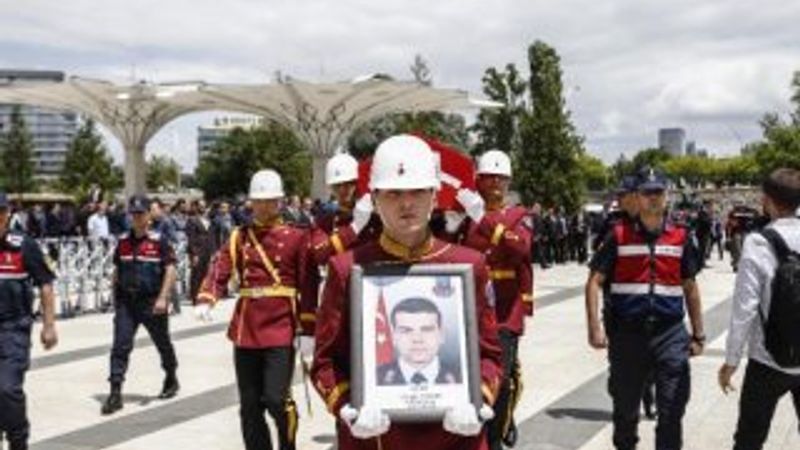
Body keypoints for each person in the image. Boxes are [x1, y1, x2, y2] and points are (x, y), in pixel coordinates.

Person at [311, 134, 502, 450]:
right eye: (393, 193)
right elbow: (325, 360)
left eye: (417, 191)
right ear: (373, 199)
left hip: (454, 439)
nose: (406, 203)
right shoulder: (346, 269)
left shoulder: (469, 265)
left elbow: (491, 354)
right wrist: (346, 406)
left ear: (434, 195)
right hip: (375, 441)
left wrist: (478, 398)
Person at [194, 169, 318, 450]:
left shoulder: (297, 238)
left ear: (280, 201)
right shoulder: (240, 236)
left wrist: (308, 328)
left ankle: (287, 445)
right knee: (249, 406)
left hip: (281, 325)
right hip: (247, 326)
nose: (264, 206)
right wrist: (207, 297)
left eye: (270, 200)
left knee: (276, 399)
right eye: (259, 201)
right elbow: (220, 266)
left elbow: (309, 285)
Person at [585, 167, 705, 450]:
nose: (653, 198)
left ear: (667, 196)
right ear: (637, 197)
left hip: (670, 335)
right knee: (626, 413)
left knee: (672, 411)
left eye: (658, 192)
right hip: (628, 336)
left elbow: (690, 286)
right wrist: (594, 327)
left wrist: (698, 334)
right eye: (646, 192)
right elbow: (594, 281)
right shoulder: (618, 234)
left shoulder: (681, 236)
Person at [443, 149, 533, 449]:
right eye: (487, 178)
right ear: (477, 181)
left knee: (502, 377)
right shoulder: (466, 218)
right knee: (469, 373)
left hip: (505, 308)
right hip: (470, 305)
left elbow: (519, 249)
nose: (494, 184)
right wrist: (450, 225)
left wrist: (481, 218)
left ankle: (496, 431)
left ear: (508, 182)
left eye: (500, 179)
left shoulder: (518, 216)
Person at [718, 168, 800, 450]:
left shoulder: (758, 242)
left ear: (768, 200)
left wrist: (731, 361)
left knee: (749, 440)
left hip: (767, 360)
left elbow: (745, 308)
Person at [101, 195, 179, 415]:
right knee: (120, 346)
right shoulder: (123, 241)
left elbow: (171, 270)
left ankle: (171, 377)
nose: (136, 218)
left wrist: (164, 297)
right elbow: (117, 269)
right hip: (127, 302)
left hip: (151, 301)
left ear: (148, 216)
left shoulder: (159, 241)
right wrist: (113, 296)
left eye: (140, 214)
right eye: (133, 214)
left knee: (162, 343)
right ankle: (115, 392)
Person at [0, 192, 58, 450]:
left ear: (7, 215)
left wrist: (49, 325)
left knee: (8, 388)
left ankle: (18, 439)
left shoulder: (24, 245)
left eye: (0, 213)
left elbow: (45, 283)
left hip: (14, 328)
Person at [376, 297, 461, 386]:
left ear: (441, 335)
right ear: (393, 337)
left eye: (426, 330)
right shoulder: (376, 378)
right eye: (406, 331)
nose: (417, 339)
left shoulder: (460, 376)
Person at [184, 199, 214, 305]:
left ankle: (202, 295)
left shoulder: (208, 219)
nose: (203, 208)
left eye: (204, 206)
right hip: (197, 251)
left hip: (207, 250)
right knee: (196, 275)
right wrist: (194, 254)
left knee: (205, 274)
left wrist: (213, 251)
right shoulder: (192, 220)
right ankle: (194, 297)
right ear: (196, 207)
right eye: (201, 206)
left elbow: (211, 236)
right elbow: (191, 238)